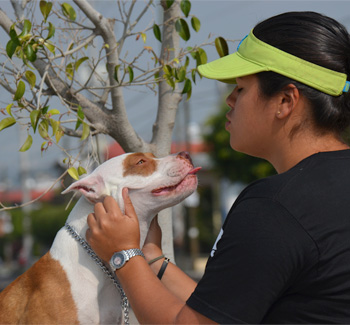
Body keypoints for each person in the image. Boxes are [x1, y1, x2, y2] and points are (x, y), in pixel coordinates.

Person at [86, 11, 350, 323]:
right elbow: (218, 309)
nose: (230, 100)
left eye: (241, 89)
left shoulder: (274, 208)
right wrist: (152, 258)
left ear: (285, 101)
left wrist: (123, 255)